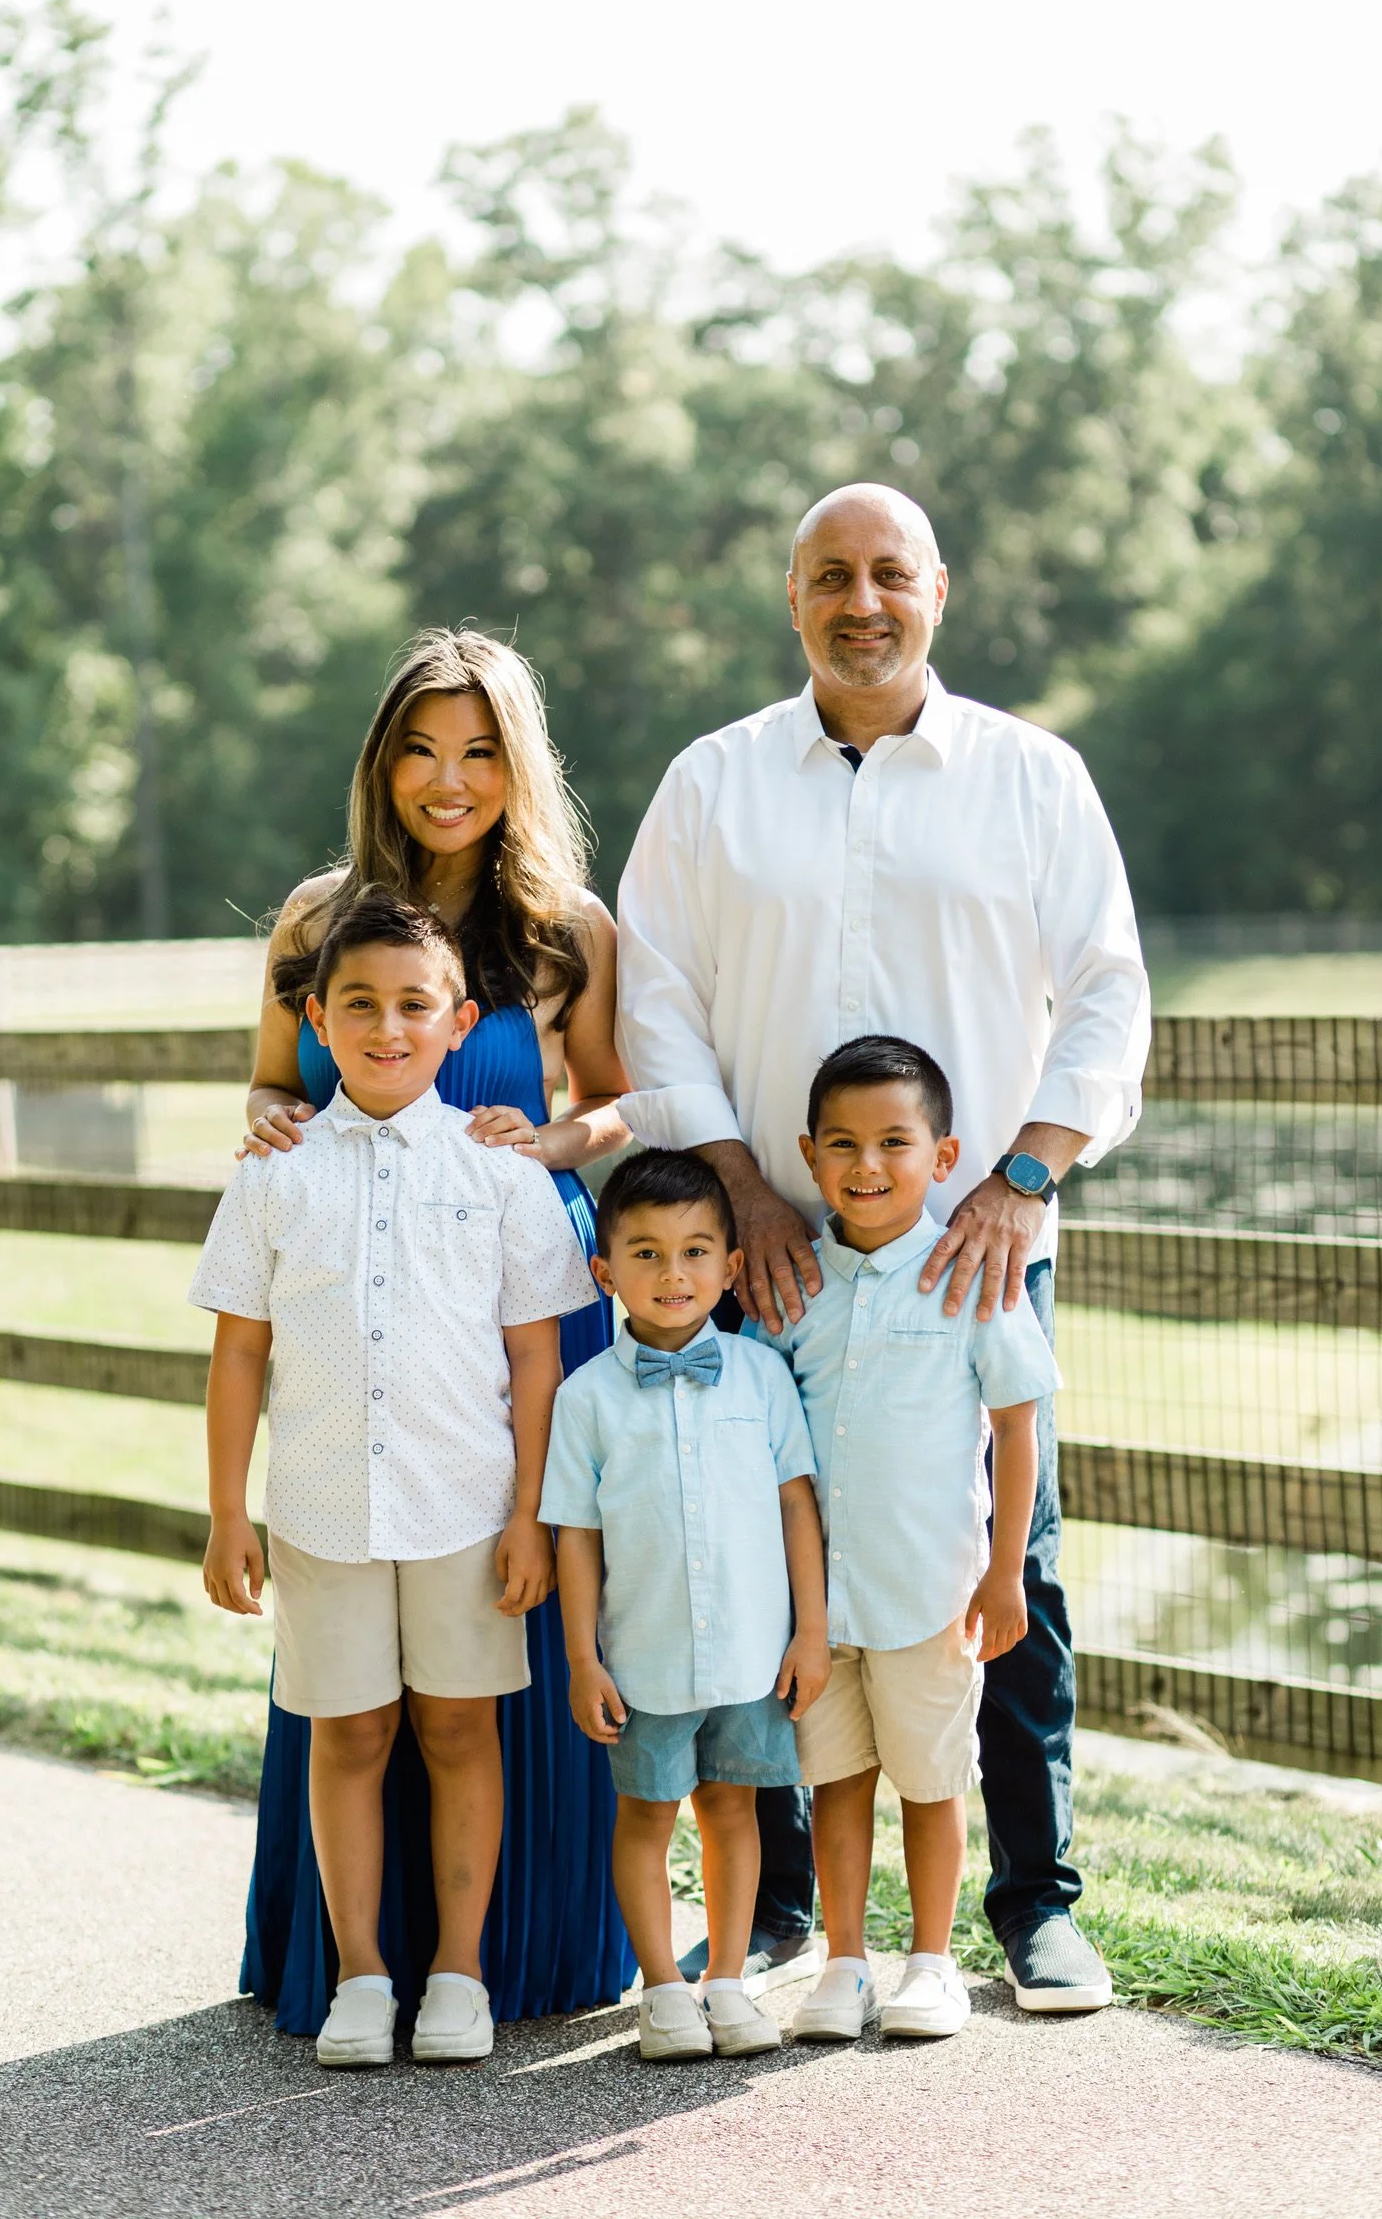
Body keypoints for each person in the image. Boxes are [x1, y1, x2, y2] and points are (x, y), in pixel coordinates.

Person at [615, 482, 1150, 2010]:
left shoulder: (1031, 779)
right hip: (770, 1259)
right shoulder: (714, 785)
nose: (863, 601)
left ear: (938, 591)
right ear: (792, 600)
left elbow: (1108, 990)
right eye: (831, 576)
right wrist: (741, 1182)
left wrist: (1024, 1176)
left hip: (974, 1249)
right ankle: (789, 1913)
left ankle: (1035, 1907)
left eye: (890, 574)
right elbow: (656, 998)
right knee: (773, 1571)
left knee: (1005, 1575)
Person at [238, 628, 634, 2031]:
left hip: (527, 1317)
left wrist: (560, 1137)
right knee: (357, 1682)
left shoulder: (566, 929)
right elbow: (271, 1099)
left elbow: (623, 1103)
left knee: (506, 1652)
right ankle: (350, 1962)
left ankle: (502, 1963)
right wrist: (270, 1116)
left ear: (517, 765)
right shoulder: (312, 919)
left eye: (478, 750)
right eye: (420, 747)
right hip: (374, 1342)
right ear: (381, 761)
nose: (447, 779)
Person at [193, 890, 600, 2064]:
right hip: (321, 1512)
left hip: (468, 1513)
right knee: (352, 1736)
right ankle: (363, 1974)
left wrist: (532, 1519)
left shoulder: (504, 1175)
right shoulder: (275, 1174)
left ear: (460, 1022)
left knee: (460, 1733)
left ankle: (460, 1971)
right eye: (358, 1005)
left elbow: (537, 1364)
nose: (386, 1028)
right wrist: (229, 1514)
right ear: (316, 1018)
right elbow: (239, 1352)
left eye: (414, 1006)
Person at [755, 1036, 1060, 2041]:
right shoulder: (796, 1289)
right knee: (836, 1778)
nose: (867, 1166)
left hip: (932, 1591)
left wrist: (1006, 1573)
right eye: (842, 1144)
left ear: (944, 1155)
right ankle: (844, 1963)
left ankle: (930, 1962)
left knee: (931, 1781)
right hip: (816, 1606)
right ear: (809, 1156)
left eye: (895, 1141)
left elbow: (1018, 1426)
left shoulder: (970, 1278)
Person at [539, 1149, 829, 2060]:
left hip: (751, 1652)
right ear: (604, 1272)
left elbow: (796, 1506)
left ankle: (729, 1979)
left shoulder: (762, 1377)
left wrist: (810, 1632)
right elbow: (575, 1535)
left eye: (698, 1251)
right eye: (649, 1254)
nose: (675, 1275)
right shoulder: (584, 1400)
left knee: (734, 1809)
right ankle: (663, 1989)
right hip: (647, 1656)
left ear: (732, 1267)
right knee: (647, 1816)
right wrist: (585, 1658)